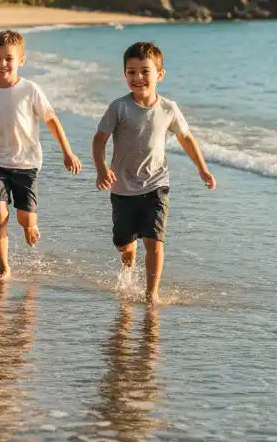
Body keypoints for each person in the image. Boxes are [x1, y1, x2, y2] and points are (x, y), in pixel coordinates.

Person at [92, 41, 216, 306]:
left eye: (144, 71)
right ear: (125, 74)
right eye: (131, 72)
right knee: (124, 243)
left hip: (157, 185)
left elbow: (186, 138)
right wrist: (102, 168)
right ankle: (128, 263)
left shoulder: (168, 108)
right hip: (123, 187)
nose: (138, 78)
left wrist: (202, 168)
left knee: (155, 239)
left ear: (160, 75)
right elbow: (99, 139)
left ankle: (151, 293)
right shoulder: (119, 107)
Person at [0, 30, 83, 280]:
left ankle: (30, 224)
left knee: (25, 218)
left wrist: (67, 152)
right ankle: (3, 266)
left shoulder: (31, 90)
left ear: (21, 60)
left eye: (8, 59)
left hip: (26, 163)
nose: (2, 64)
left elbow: (52, 120)